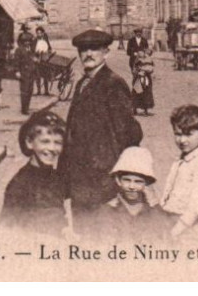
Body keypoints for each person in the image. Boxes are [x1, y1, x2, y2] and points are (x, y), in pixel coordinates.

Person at [58, 28, 142, 217]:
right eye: (83, 50)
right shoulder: (82, 83)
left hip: (102, 179)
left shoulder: (113, 83)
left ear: (106, 52)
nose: (88, 54)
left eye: (94, 49)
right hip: (79, 177)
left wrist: (118, 178)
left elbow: (127, 134)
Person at [0, 109, 66, 233]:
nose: (52, 148)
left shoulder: (58, 178)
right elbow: (6, 229)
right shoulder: (19, 184)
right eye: (45, 141)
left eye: (58, 143)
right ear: (29, 142)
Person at [160, 104, 198, 238]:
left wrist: (174, 232)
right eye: (178, 134)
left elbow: (196, 208)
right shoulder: (180, 160)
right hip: (172, 220)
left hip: (189, 228)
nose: (182, 140)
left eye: (188, 134)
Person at [90, 146, 165, 241]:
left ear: (146, 183)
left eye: (138, 182)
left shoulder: (154, 213)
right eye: (127, 180)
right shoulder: (106, 211)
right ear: (118, 180)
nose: (132, 186)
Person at [13, 27, 36, 116]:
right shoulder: (19, 50)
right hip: (24, 73)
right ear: (22, 42)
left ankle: (27, 107)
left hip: (31, 73)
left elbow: (33, 59)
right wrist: (17, 71)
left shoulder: (30, 50)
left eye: (29, 41)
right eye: (25, 41)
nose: (27, 43)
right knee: (24, 91)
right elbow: (16, 62)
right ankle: (24, 109)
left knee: (30, 91)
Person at [131, 48, 155, 116]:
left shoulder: (149, 60)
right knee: (137, 92)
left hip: (146, 77)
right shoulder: (138, 59)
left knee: (146, 93)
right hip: (139, 77)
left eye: (149, 52)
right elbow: (135, 68)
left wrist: (146, 70)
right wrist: (138, 72)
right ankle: (134, 108)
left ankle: (145, 109)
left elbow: (151, 68)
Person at [33, 25, 52, 96]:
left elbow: (49, 48)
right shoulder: (35, 41)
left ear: (43, 33)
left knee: (45, 76)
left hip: (45, 60)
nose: (39, 34)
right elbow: (32, 50)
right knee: (37, 76)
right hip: (37, 60)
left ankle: (46, 91)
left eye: (40, 33)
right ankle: (38, 91)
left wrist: (48, 53)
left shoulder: (45, 40)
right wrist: (35, 55)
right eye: (37, 33)